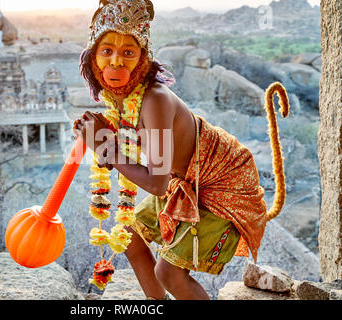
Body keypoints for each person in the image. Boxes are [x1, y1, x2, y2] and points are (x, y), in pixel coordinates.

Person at [73, 0, 288, 300]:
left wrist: (105, 148)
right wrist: (102, 139)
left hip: (223, 187)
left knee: (169, 272)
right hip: (185, 179)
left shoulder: (154, 101)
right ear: (93, 58)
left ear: (142, 60)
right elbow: (132, 156)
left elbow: (157, 184)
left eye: (128, 53)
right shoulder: (122, 99)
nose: (116, 63)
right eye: (106, 51)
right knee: (131, 237)